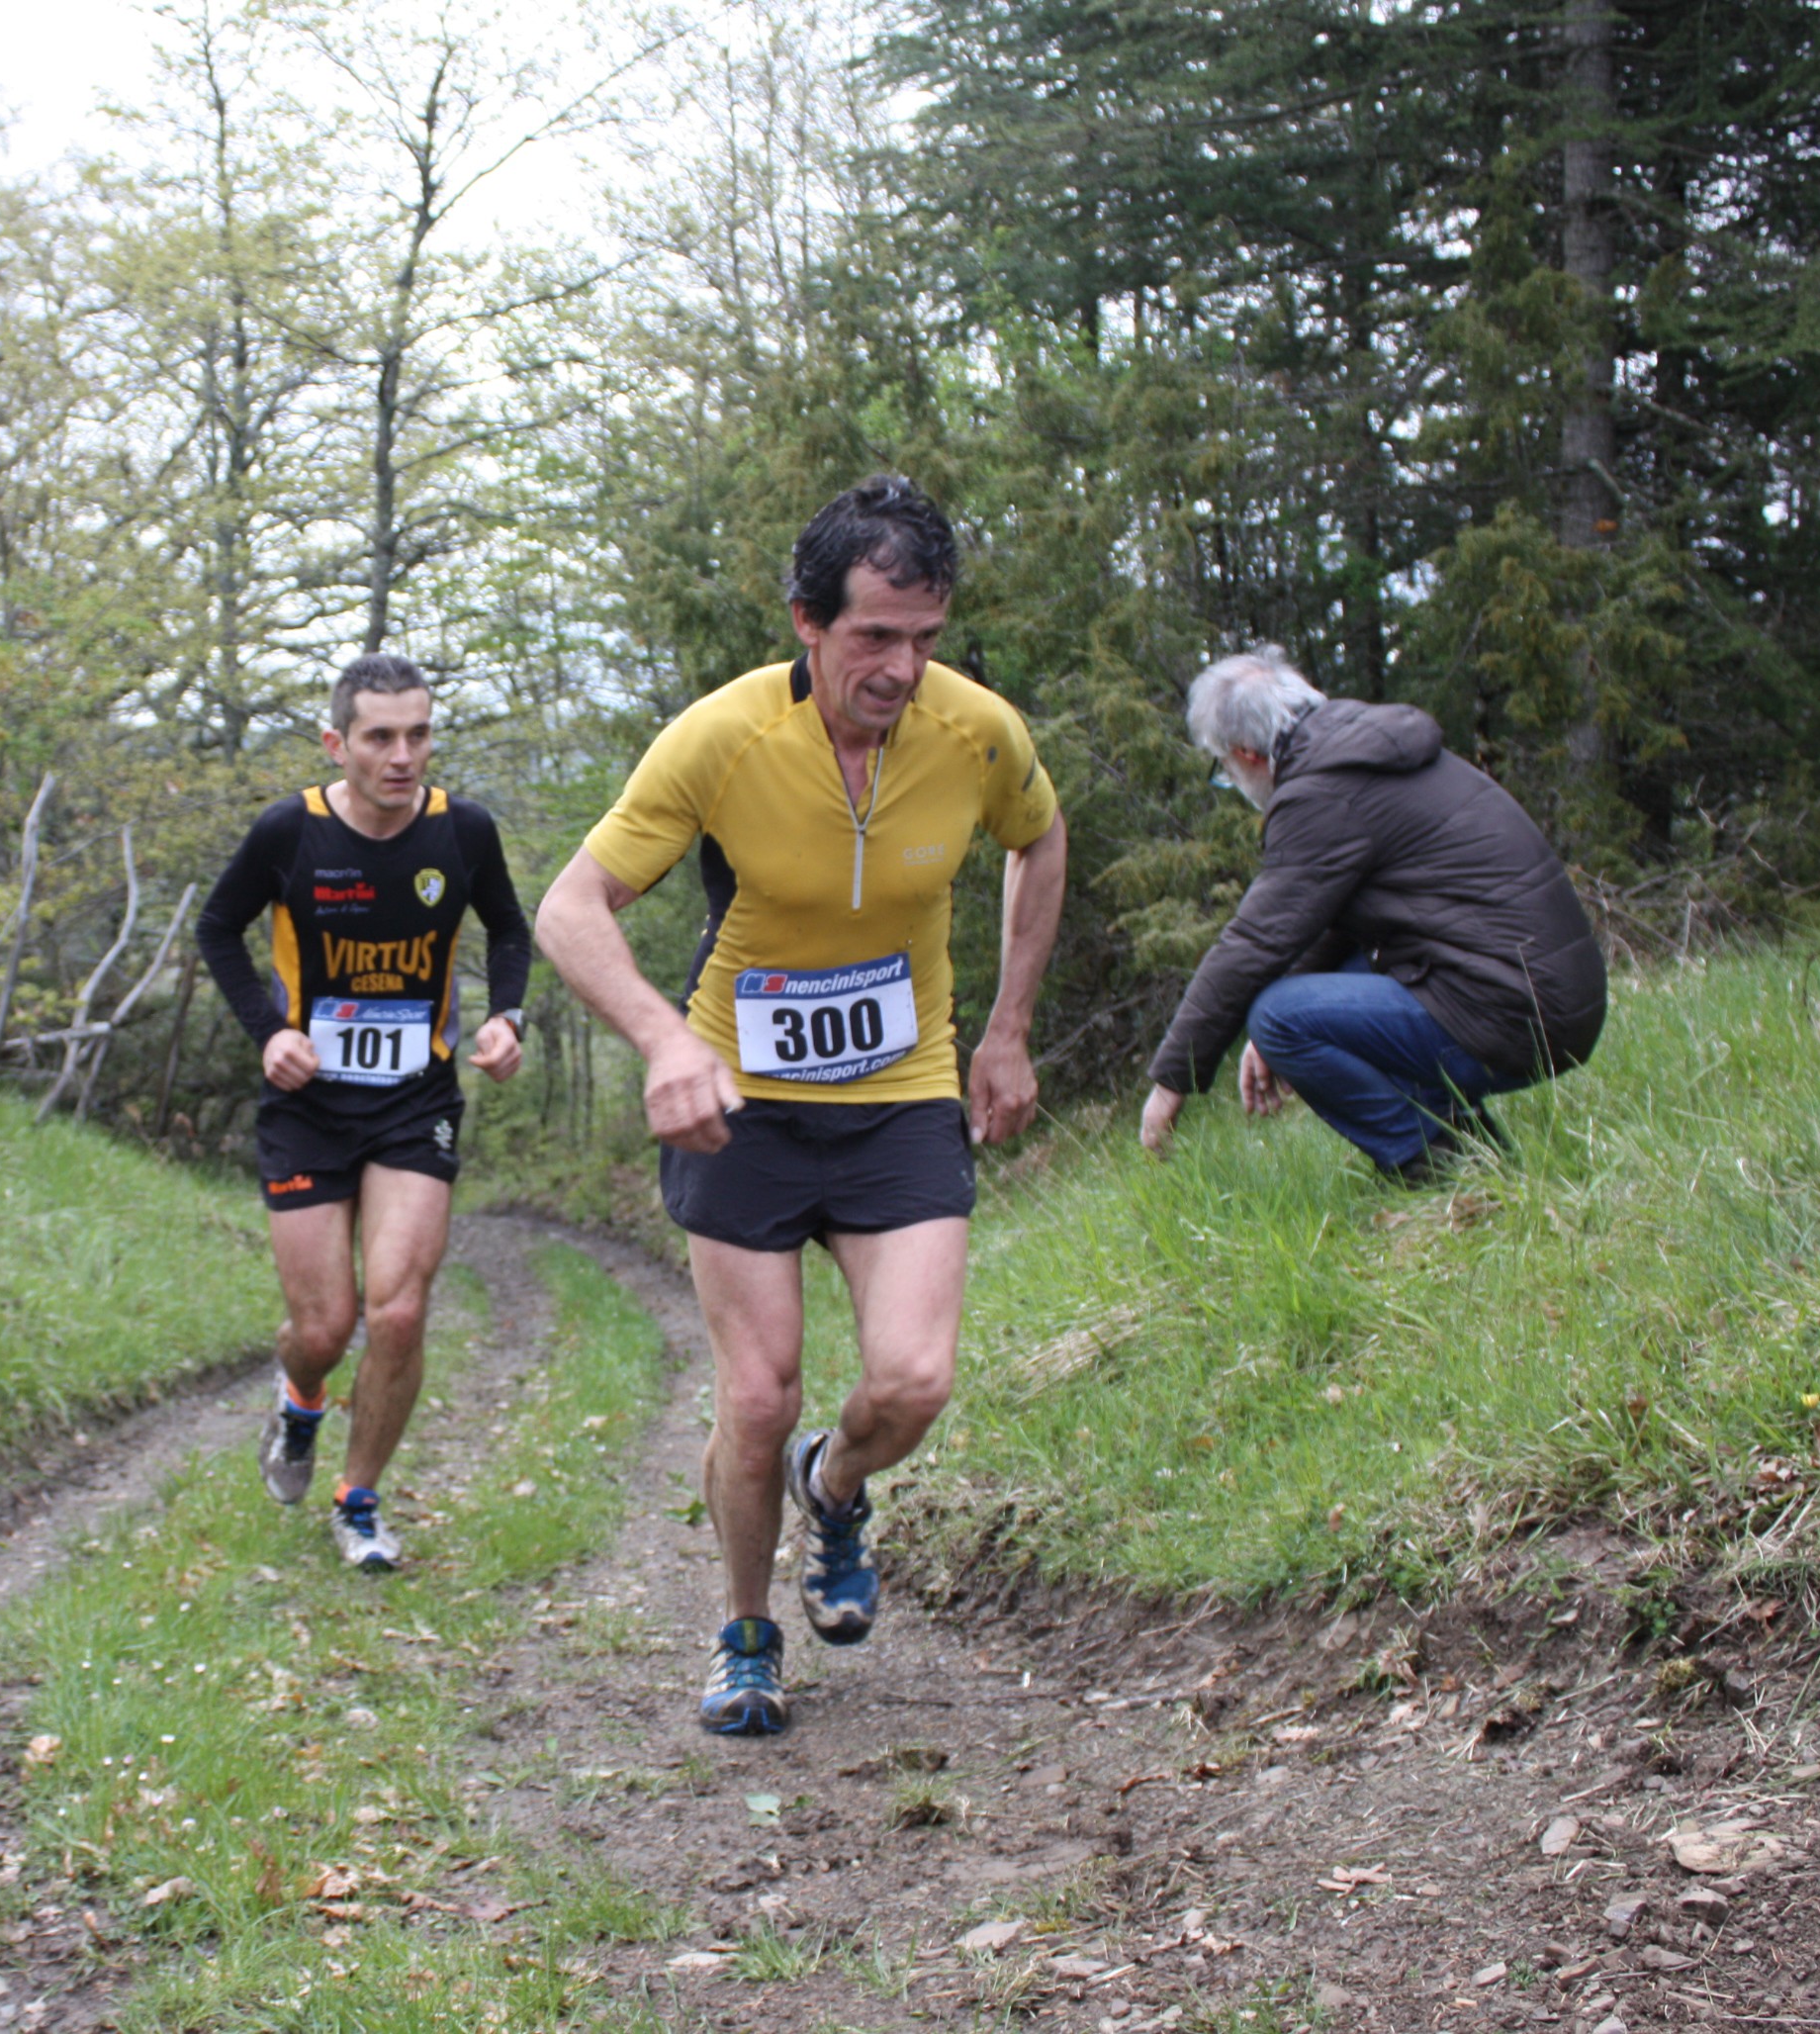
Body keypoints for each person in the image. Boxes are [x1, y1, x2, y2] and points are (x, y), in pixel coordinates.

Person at [535, 476, 1067, 1735]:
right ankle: (744, 1634)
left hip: (898, 1096)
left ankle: (834, 1487)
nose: (902, 669)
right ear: (807, 622)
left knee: (914, 1379)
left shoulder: (978, 733)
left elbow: (1038, 843)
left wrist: (1005, 1030)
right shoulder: (721, 739)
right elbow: (569, 909)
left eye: (926, 638)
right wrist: (664, 1041)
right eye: (875, 636)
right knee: (757, 1391)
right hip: (745, 1102)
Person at [197, 654, 533, 1571]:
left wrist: (507, 1016)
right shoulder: (288, 832)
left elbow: (509, 927)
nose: (402, 755)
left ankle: (358, 1499)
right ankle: (299, 1401)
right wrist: (268, 1031)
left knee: (396, 1313)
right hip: (307, 1105)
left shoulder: (462, 831)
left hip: (414, 1102)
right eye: (380, 737)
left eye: (418, 734)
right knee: (323, 1328)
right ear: (335, 741)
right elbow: (216, 929)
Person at [1138, 645, 1607, 1181]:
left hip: (1518, 1015)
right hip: (1552, 995)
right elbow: (1324, 922)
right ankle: (1479, 1156)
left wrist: (1170, 1085)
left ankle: (1443, 1169)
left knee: (1279, 1017)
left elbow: (1253, 942)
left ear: (1246, 754)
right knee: (1304, 997)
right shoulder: (1361, 749)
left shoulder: (1321, 791)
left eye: (1223, 768)